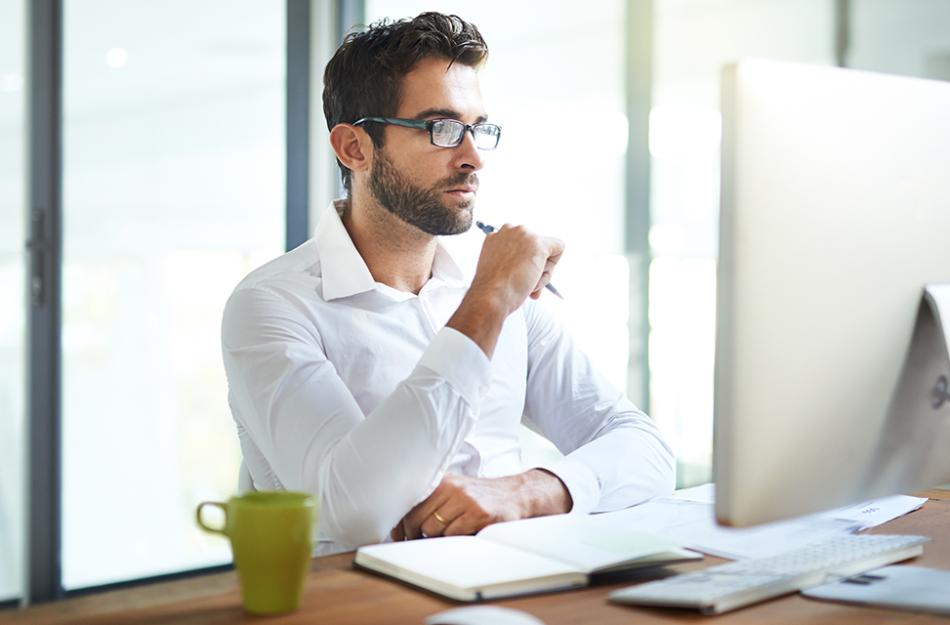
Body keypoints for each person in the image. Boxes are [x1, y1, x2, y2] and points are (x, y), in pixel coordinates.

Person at [221, 12, 674, 555]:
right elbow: (354, 510)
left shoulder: (501, 283)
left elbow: (644, 449)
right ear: (355, 149)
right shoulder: (271, 306)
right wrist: (487, 301)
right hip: (361, 605)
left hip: (519, 584)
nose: (473, 157)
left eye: (478, 127)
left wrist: (528, 491)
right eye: (441, 128)